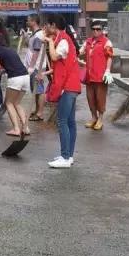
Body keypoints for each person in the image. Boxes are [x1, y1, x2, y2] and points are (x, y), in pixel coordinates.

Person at [43, 14, 82, 169]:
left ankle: (65, 157)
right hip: (71, 86)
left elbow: (53, 55)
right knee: (70, 122)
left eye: (48, 25)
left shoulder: (63, 40)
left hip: (68, 87)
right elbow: (58, 65)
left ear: (54, 26)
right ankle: (68, 155)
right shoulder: (63, 39)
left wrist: (50, 41)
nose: (46, 28)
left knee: (62, 121)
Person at [0, 34, 31, 137]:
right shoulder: (10, 50)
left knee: (9, 103)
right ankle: (25, 128)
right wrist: (1, 72)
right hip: (25, 76)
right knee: (17, 103)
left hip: (15, 78)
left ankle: (16, 129)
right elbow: (12, 65)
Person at [79, 20, 113, 131]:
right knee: (90, 98)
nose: (96, 31)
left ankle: (100, 119)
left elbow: (109, 57)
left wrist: (107, 70)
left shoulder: (106, 42)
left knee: (100, 98)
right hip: (89, 76)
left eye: (98, 29)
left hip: (100, 76)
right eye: (93, 29)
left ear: (102, 30)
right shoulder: (88, 42)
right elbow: (81, 52)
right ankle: (94, 117)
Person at [23, 13, 46, 121]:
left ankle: (40, 113)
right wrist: (26, 37)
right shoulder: (34, 34)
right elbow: (31, 46)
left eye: (28, 20)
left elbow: (36, 52)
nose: (27, 22)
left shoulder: (38, 35)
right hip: (34, 66)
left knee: (39, 89)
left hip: (37, 66)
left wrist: (31, 66)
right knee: (35, 89)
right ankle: (37, 110)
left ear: (33, 21)